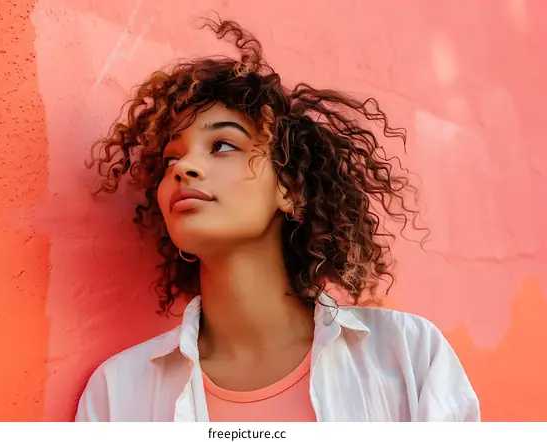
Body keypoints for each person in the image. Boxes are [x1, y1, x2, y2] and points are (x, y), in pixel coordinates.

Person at [75, 18, 480, 422]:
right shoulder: (117, 393)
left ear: (289, 188)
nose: (184, 169)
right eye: (171, 159)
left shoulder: (409, 357)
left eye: (221, 145)